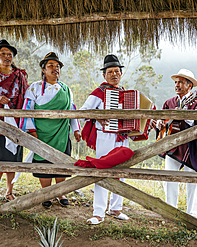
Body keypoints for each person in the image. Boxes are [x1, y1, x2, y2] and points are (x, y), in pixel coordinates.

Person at [20, 52, 81, 209]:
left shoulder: (66, 89)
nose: (55, 69)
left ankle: (60, 193)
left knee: (61, 162)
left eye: (57, 66)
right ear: (43, 69)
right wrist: (32, 133)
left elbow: (72, 110)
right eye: (51, 66)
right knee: (43, 163)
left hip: (61, 133)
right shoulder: (34, 88)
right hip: (41, 134)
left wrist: (76, 129)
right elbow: (27, 110)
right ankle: (46, 193)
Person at [151, 69, 197, 218]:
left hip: (192, 145)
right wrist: (159, 124)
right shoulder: (169, 102)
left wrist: (183, 116)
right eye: (176, 82)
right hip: (173, 144)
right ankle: (171, 211)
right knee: (169, 177)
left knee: (193, 179)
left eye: (180, 82)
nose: (177, 85)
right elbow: (162, 119)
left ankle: (192, 214)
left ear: (189, 85)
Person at [80, 54, 130, 225]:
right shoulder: (99, 92)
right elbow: (83, 112)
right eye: (110, 72)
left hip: (123, 137)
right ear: (104, 75)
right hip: (106, 136)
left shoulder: (125, 93)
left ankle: (116, 208)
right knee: (102, 171)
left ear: (121, 73)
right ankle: (98, 212)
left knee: (121, 172)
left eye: (117, 71)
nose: (114, 74)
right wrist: (96, 117)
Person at [0, 40, 29, 205]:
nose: (7, 57)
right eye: (3, 54)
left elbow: (26, 96)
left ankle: (9, 191)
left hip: (16, 121)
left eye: (9, 54)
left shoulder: (19, 76)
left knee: (14, 157)